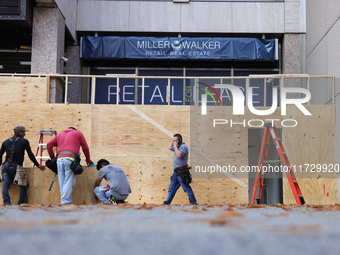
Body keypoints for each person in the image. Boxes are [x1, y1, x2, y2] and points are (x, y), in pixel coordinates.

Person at [47, 127, 93, 205]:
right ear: (74, 130)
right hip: (70, 160)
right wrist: (88, 160)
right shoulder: (78, 133)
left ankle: (66, 201)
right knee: (69, 182)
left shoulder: (60, 135)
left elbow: (48, 144)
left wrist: (53, 158)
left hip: (59, 161)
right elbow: (85, 147)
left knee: (62, 183)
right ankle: (65, 202)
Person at [0, 125, 45, 205]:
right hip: (16, 167)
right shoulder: (24, 141)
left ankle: (7, 203)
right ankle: (21, 203)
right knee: (24, 185)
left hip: (6, 166)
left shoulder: (6, 142)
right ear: (19, 132)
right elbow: (30, 154)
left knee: (5, 186)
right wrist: (38, 165)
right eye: (24, 132)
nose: (25, 134)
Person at [163, 134, 197, 205]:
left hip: (182, 172)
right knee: (171, 188)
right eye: (173, 140)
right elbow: (169, 147)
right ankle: (167, 202)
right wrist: (172, 142)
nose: (174, 142)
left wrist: (175, 146)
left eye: (176, 140)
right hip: (176, 172)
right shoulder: (177, 147)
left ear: (180, 140)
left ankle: (193, 203)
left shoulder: (183, 147)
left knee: (186, 189)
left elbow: (179, 155)